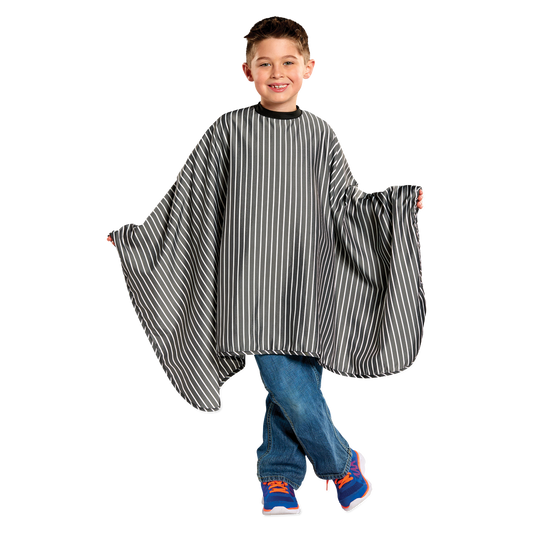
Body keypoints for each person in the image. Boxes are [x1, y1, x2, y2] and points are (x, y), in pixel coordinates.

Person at [104, 14, 428, 517]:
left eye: (288, 62)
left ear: (310, 68)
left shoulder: (321, 133)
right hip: (248, 282)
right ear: (246, 71)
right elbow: (188, 195)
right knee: (284, 378)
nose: (277, 73)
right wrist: (138, 236)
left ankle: (278, 474)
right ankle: (341, 463)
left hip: (307, 280)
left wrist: (395, 205)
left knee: (291, 383)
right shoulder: (227, 129)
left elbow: (348, 203)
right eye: (265, 63)